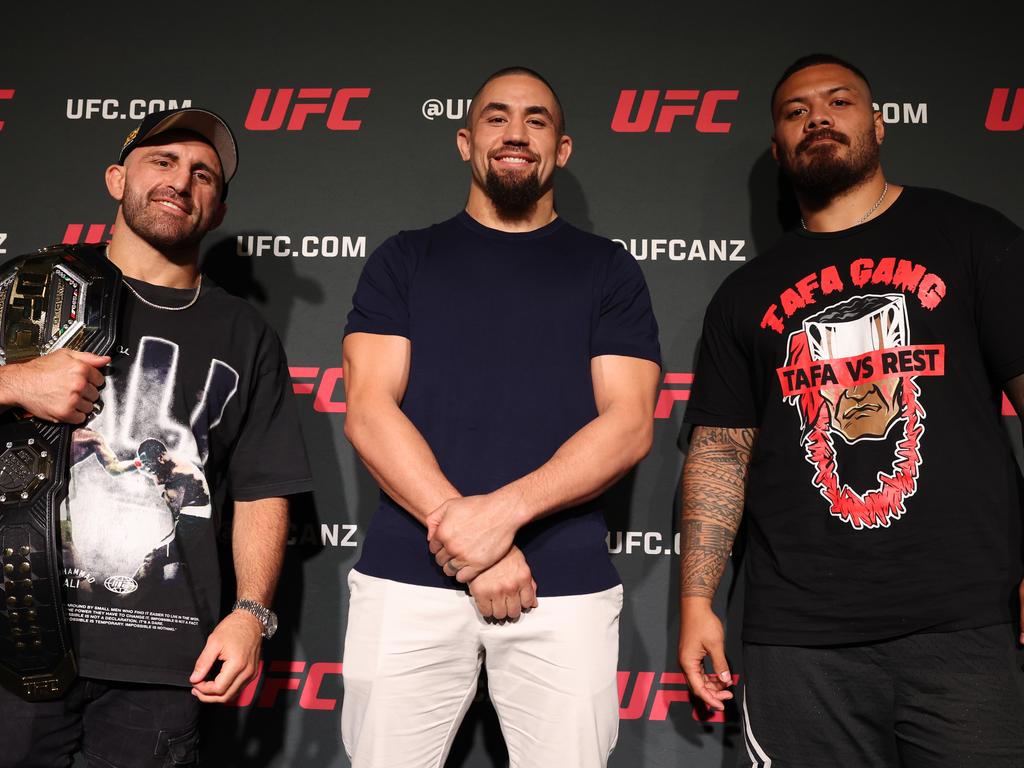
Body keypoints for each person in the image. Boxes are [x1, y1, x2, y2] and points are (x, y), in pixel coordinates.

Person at [678, 53, 1024, 767]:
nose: (818, 118)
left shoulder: (971, 237)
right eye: (796, 111)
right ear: (778, 146)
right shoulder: (745, 295)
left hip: (965, 622)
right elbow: (719, 453)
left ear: (878, 124)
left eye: (839, 102)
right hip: (800, 639)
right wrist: (695, 603)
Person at [341, 66, 661, 767]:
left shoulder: (608, 270)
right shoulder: (404, 259)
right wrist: (474, 539)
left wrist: (498, 520)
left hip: (564, 583)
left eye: (537, 120)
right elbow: (368, 411)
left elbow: (631, 422)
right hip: (408, 576)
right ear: (465, 140)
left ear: (563, 149)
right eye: (496, 117)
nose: (515, 133)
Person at [0, 108, 312, 767]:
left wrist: (251, 612)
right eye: (162, 162)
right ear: (117, 179)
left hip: (163, 665)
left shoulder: (246, 335)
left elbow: (261, 489)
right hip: (16, 639)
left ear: (217, 210)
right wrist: (15, 383)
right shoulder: (26, 291)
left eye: (203, 173)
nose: (181, 181)